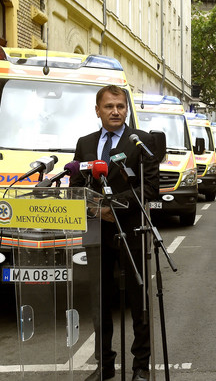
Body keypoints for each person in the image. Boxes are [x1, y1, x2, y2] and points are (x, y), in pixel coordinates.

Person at [70, 85, 159, 381]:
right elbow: (75, 188)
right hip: (97, 231)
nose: (116, 111)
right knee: (100, 300)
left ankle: (140, 367)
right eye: (109, 106)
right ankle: (104, 364)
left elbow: (149, 188)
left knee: (138, 300)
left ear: (127, 109)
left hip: (132, 229)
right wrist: (97, 211)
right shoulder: (85, 143)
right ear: (98, 110)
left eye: (120, 106)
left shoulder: (141, 142)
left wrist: (115, 207)